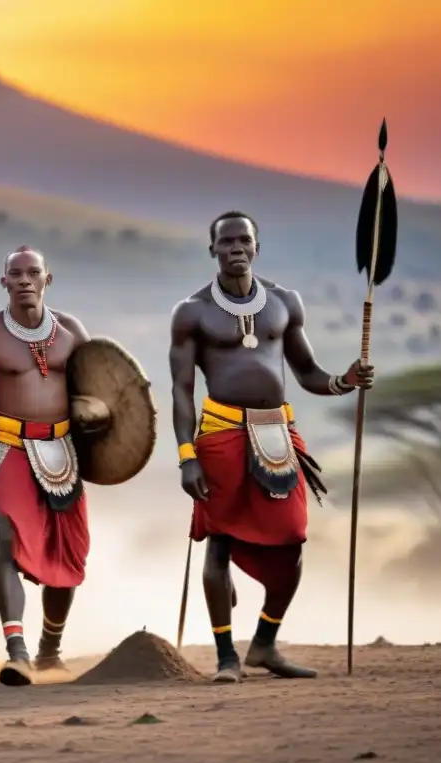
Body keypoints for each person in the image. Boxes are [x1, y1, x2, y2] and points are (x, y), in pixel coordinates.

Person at [169, 211, 374, 683]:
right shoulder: (192, 312)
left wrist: (345, 381)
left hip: (277, 434)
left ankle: (263, 645)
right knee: (218, 545)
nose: (236, 248)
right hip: (220, 433)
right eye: (227, 242)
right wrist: (186, 456)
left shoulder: (284, 303)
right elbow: (181, 391)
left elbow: (307, 372)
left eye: (245, 240)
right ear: (213, 250)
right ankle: (225, 657)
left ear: (257, 246)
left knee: (293, 540)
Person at [0, 246, 91, 686]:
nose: (25, 280)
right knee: (10, 543)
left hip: (62, 452)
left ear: (47, 280)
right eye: (16, 274)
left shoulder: (73, 333)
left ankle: (50, 650)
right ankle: (17, 653)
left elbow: (101, 392)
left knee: (67, 554)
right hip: (10, 448)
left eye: (34, 273)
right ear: (4, 282)